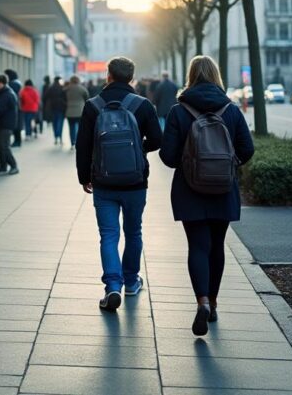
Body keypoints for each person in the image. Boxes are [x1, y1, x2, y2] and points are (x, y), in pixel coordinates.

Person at [160, 55, 253, 336]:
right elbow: (247, 150)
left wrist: (189, 163)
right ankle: (213, 303)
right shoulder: (231, 109)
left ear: (190, 76)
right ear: (216, 75)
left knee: (197, 246)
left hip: (190, 188)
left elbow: (167, 156)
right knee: (217, 246)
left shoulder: (179, 111)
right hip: (223, 188)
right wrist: (227, 164)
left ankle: (200, 300)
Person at [75, 57, 162, 311]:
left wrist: (84, 177)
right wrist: (138, 152)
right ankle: (132, 281)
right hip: (135, 182)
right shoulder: (143, 105)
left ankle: (113, 286)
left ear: (108, 76)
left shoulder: (93, 105)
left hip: (103, 182)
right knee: (134, 232)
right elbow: (157, 140)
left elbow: (83, 145)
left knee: (109, 235)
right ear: (131, 78)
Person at [0, 75, 20, 175]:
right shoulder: (3, 92)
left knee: (4, 146)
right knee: (0, 146)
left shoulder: (7, 94)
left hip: (6, 124)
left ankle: (14, 165)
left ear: (1, 83)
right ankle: (2, 166)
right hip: (2, 123)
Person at [64, 75, 89, 151]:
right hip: (80, 111)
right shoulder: (82, 89)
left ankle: (72, 143)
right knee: (79, 128)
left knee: (71, 128)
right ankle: (78, 142)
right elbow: (87, 97)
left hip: (69, 111)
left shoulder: (66, 89)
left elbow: (63, 98)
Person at [45, 76, 67, 145]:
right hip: (61, 108)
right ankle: (60, 137)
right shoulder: (62, 88)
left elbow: (45, 97)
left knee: (54, 123)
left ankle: (56, 138)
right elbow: (66, 98)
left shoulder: (51, 88)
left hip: (53, 108)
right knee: (60, 123)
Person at [5, 69, 23, 147]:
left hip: (16, 107)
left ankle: (17, 141)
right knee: (17, 125)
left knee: (16, 126)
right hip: (18, 107)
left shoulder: (13, 84)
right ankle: (17, 141)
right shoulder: (18, 83)